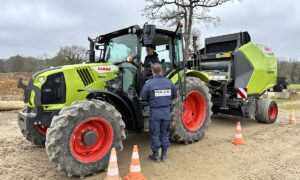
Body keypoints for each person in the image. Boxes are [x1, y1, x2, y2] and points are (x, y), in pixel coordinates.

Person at [140, 63, 177, 162]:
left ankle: (156, 156)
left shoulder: (149, 83)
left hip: (155, 112)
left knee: (155, 134)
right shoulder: (169, 82)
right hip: (166, 112)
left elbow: (143, 97)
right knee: (165, 133)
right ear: (161, 71)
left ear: (152, 72)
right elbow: (174, 95)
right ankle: (164, 155)